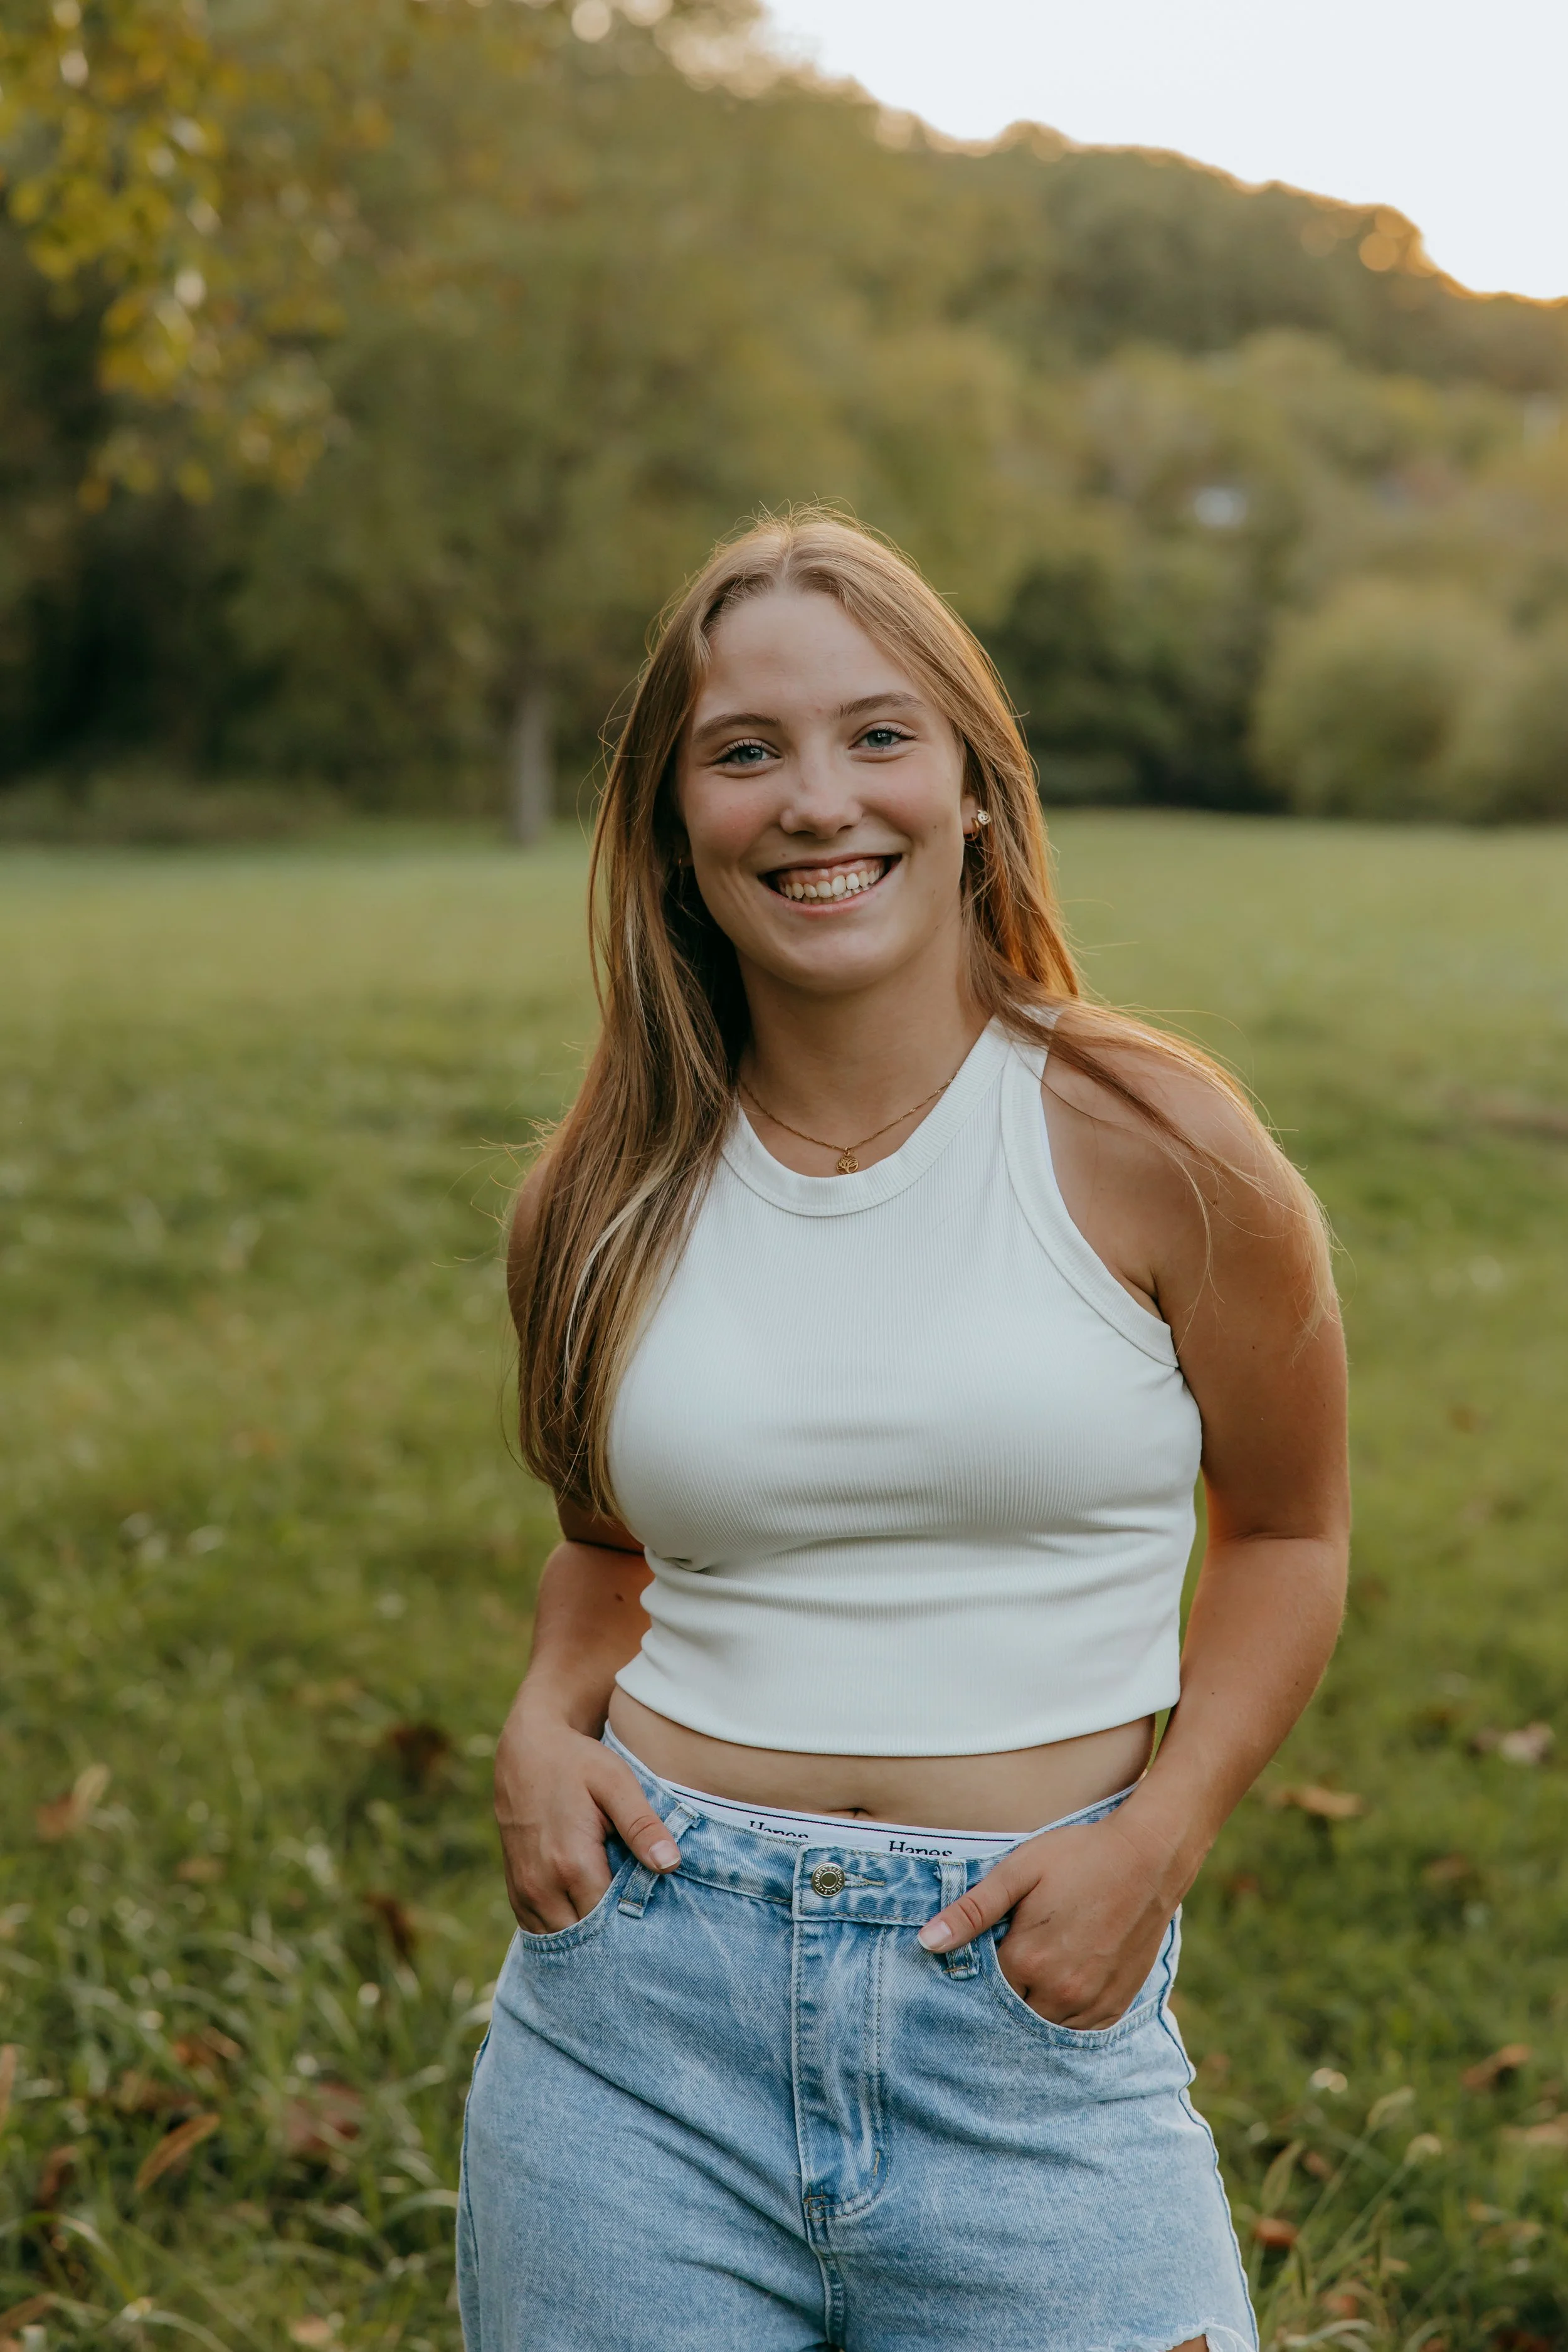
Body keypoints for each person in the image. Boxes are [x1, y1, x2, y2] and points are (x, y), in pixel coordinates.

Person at [458, 510, 1349, 2352]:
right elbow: (606, 1546)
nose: (812, 800)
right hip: (637, 2015)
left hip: (1026, 2010)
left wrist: (1158, 1836)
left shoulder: (1158, 1145)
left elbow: (1286, 1532)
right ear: (671, 819)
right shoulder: (600, 1195)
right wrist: (540, 1722)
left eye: (876, 736)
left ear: (972, 793)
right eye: (743, 749)